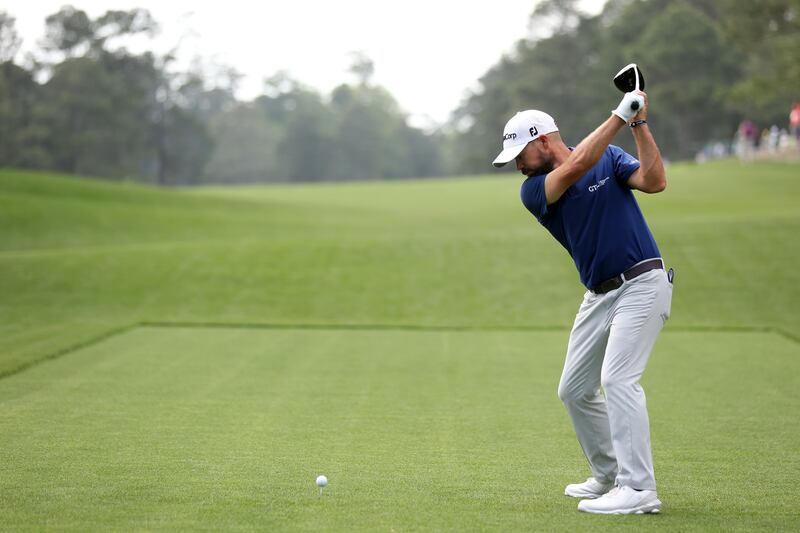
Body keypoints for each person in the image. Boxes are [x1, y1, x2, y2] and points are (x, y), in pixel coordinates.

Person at [492, 91, 672, 515]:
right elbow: (575, 166)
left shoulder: (608, 156)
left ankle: (639, 489)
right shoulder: (534, 190)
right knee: (573, 390)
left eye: (520, 152)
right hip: (599, 294)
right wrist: (619, 113)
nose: (516, 164)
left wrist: (638, 125)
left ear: (543, 140)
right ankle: (609, 476)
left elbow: (654, 181)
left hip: (643, 281)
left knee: (618, 379)